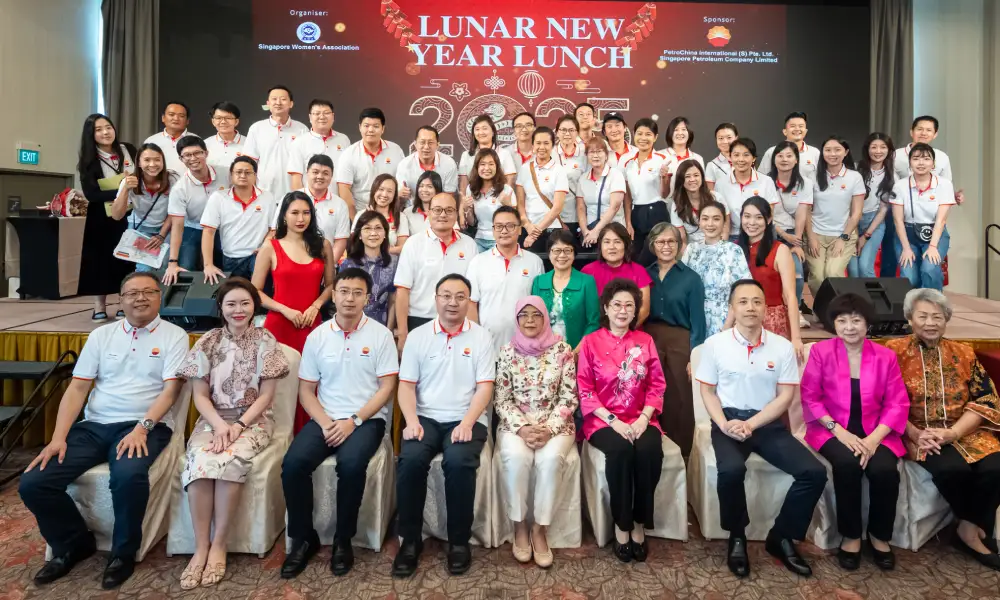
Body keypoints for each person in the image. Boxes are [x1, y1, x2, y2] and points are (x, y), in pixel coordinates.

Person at [19, 272, 188, 589]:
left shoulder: (174, 335)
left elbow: (170, 392)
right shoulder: (101, 336)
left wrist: (142, 427)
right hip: (95, 425)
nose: (140, 298)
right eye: (132, 293)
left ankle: (123, 553)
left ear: (160, 296)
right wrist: (58, 438)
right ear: (120, 300)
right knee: (33, 481)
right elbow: (78, 388)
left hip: (145, 425)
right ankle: (72, 543)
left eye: (148, 292)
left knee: (127, 476)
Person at [696, 279, 827, 578]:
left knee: (813, 472)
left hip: (766, 422)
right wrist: (724, 424)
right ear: (732, 308)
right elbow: (708, 393)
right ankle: (737, 535)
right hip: (727, 420)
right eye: (742, 302)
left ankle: (781, 536)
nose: (750, 307)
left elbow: (785, 397)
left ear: (766, 308)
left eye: (756, 301)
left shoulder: (781, 347)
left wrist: (752, 423)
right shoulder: (715, 345)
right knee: (730, 470)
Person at [280, 268, 399, 578]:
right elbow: (306, 391)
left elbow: (387, 388)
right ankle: (304, 539)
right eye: (344, 291)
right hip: (326, 417)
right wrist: (327, 422)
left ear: (368, 297)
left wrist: (354, 420)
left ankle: (343, 539)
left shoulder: (381, 335)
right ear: (333, 296)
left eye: (357, 292)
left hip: (366, 420)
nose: (349, 298)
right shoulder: (317, 336)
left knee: (350, 464)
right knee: (293, 464)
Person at [176, 278, 290, 589]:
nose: (238, 310)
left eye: (245, 303)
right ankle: (201, 548)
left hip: (254, 421)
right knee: (201, 462)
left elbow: (266, 396)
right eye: (231, 304)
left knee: (230, 460)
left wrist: (238, 426)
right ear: (221, 308)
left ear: (254, 306)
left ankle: (219, 545)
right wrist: (219, 425)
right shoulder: (208, 342)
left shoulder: (267, 340)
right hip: (213, 420)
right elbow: (200, 395)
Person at [886, 288, 1000, 571]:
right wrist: (914, 433)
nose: (930, 322)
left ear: (946, 320)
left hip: (964, 431)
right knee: (952, 470)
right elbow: (884, 400)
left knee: (995, 467)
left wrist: (955, 433)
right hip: (917, 432)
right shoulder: (892, 351)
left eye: (937, 316)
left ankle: (967, 527)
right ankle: (974, 534)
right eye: (922, 316)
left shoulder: (963, 352)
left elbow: (986, 398)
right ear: (910, 319)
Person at [392, 274, 495, 578]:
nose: (453, 302)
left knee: (459, 461)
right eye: (446, 296)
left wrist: (467, 422)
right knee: (410, 460)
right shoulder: (418, 336)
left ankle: (459, 541)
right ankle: (409, 541)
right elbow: (406, 386)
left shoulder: (481, 337)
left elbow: (485, 388)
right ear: (435, 299)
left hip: (467, 416)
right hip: (424, 416)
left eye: (460, 296)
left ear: (468, 301)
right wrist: (410, 422)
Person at [799, 293, 909, 571]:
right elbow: (811, 397)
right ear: (833, 325)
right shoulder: (821, 353)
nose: (850, 327)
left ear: (867, 323)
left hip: (877, 430)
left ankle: (879, 536)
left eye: (856, 320)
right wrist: (840, 432)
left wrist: (873, 440)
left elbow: (897, 402)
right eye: (842, 320)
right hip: (831, 429)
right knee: (847, 464)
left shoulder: (886, 356)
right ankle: (851, 536)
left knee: (884, 470)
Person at [578, 278, 666, 563]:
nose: (623, 310)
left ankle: (640, 523)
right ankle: (622, 524)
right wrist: (613, 420)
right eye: (617, 304)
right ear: (606, 307)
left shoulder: (645, 341)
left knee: (649, 451)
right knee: (620, 452)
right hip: (602, 421)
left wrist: (644, 418)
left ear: (635, 310)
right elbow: (585, 389)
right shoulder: (591, 342)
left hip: (642, 419)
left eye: (629, 305)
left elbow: (656, 385)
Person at [495, 296, 578, 568]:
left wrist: (549, 428)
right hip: (516, 425)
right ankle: (519, 525)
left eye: (536, 315)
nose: (530, 320)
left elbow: (569, 397)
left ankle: (539, 529)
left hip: (556, 425)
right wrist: (523, 428)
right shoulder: (507, 352)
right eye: (524, 315)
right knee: (518, 459)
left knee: (550, 460)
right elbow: (502, 399)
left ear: (545, 318)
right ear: (517, 320)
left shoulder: (563, 350)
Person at [253, 191, 335, 432]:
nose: (301, 218)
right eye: (295, 212)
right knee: (278, 386)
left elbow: (331, 285)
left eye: (306, 212)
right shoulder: (271, 246)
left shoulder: (322, 245)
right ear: (284, 215)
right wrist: (284, 310)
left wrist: (315, 305)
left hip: (313, 324)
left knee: (312, 383)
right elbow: (254, 291)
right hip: (279, 325)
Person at [644, 223, 706, 456]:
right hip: (649, 338)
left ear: (680, 246)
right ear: (652, 245)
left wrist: (695, 356)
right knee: (651, 392)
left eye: (671, 241)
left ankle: (684, 453)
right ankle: (653, 445)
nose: (666, 246)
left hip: (680, 340)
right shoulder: (644, 273)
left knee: (680, 394)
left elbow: (698, 322)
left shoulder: (691, 278)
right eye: (660, 242)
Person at [393, 193, 479, 352]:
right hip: (419, 321)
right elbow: (402, 290)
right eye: (437, 210)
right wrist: (403, 334)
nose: (443, 215)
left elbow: (473, 295)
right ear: (429, 213)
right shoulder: (414, 244)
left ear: (456, 213)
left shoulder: (469, 245)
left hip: (457, 322)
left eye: (449, 210)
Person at [76, 113, 135, 320]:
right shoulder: (89, 161)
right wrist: (122, 188)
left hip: (129, 214)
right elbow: (92, 194)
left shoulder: (128, 150)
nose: (105, 132)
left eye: (108, 127)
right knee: (100, 261)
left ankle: (123, 303)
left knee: (126, 260)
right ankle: (99, 306)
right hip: (101, 218)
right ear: (91, 135)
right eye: (99, 130)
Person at [468, 206, 545, 354]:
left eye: (510, 226)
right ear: (493, 229)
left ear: (520, 229)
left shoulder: (534, 262)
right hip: (488, 347)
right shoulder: (478, 262)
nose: (504, 231)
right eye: (499, 226)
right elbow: (471, 304)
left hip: (525, 348)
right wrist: (476, 338)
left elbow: (539, 304)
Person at [802, 135, 866, 295]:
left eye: (837, 150)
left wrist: (843, 238)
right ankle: (821, 309)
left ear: (846, 152)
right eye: (828, 150)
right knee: (817, 277)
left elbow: (856, 213)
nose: (833, 154)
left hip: (843, 235)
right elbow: (806, 210)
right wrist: (811, 237)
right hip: (816, 234)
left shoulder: (854, 177)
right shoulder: (812, 176)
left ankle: (835, 311)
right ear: (822, 153)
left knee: (832, 274)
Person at [736, 198, 803, 350]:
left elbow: (790, 296)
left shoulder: (780, 250)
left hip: (772, 322)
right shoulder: (734, 250)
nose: (751, 222)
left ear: (769, 219)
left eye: (758, 217)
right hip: (741, 321)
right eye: (747, 216)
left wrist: (796, 337)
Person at [889, 143, 956, 291]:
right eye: (916, 158)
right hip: (906, 233)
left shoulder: (944, 185)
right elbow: (898, 220)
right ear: (910, 163)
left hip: (935, 233)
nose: (921, 163)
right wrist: (906, 248)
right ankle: (911, 309)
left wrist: (932, 247)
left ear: (933, 164)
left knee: (929, 269)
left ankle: (933, 305)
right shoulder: (900, 186)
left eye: (926, 159)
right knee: (909, 276)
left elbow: (941, 219)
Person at [163, 136, 230, 284]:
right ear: (181, 159)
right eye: (187, 155)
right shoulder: (179, 188)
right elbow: (177, 226)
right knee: (186, 266)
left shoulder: (227, 174)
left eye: (197, 153)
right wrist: (172, 262)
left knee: (226, 263)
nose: (193, 158)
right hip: (194, 227)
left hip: (223, 227)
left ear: (206, 153)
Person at [682, 200, 750, 337]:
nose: (710, 224)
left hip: (725, 322)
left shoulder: (733, 251)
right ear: (699, 222)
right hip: (694, 321)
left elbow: (743, 291)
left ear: (724, 222)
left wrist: (727, 327)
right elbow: (682, 288)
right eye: (705, 219)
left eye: (716, 219)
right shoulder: (692, 249)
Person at [201, 156, 275, 282]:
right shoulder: (218, 197)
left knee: (260, 295)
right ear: (231, 175)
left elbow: (273, 228)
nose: (243, 175)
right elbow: (208, 232)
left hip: (257, 255)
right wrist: (208, 265)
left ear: (255, 175)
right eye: (238, 172)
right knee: (236, 296)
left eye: (248, 172)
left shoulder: (267, 197)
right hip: (231, 258)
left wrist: (265, 245)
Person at [110, 143, 179, 273]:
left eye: (157, 159)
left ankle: (161, 293)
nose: (152, 164)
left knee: (164, 265)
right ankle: (143, 292)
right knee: (144, 268)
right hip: (141, 228)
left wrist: (161, 235)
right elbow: (116, 215)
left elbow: (175, 211)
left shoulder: (173, 179)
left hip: (167, 228)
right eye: (147, 160)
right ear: (139, 163)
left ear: (163, 162)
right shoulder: (130, 180)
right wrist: (126, 189)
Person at [531, 230, 600, 349]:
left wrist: (577, 352)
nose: (562, 255)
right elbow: (533, 318)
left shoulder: (587, 282)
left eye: (567, 250)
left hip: (577, 350)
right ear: (549, 253)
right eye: (557, 250)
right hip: (543, 353)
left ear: (574, 253)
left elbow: (594, 322)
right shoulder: (539, 281)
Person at [276, 154, 351, 260]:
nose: (320, 177)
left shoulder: (340, 205)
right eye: (315, 172)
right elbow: (277, 231)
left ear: (331, 176)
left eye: (325, 173)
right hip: (289, 260)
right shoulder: (289, 199)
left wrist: (328, 267)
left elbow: (341, 240)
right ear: (307, 173)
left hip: (324, 261)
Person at [336, 107, 406, 220]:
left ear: (383, 129)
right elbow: (344, 189)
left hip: (390, 215)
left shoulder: (396, 150)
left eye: (376, 126)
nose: (371, 130)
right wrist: (356, 220)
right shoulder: (349, 154)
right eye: (366, 126)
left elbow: (402, 182)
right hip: (361, 214)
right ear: (360, 127)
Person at [241, 85, 308, 200]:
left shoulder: (302, 130)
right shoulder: (257, 128)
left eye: (283, 99)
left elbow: (306, 163)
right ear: (268, 103)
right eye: (274, 99)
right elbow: (249, 163)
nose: (278, 102)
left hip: (294, 195)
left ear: (291, 103)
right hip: (263, 195)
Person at [767, 141, 811, 308]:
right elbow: (766, 216)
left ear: (796, 160)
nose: (784, 159)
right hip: (770, 233)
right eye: (780, 156)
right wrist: (784, 236)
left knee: (797, 275)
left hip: (793, 233)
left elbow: (802, 213)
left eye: (789, 156)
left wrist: (797, 242)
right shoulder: (765, 181)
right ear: (774, 159)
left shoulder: (805, 183)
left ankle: (795, 309)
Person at [581, 223, 651, 325]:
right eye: (607, 242)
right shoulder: (588, 271)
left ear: (625, 245)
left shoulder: (638, 271)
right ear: (600, 246)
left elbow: (644, 310)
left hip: (629, 333)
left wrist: (623, 332)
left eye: (617, 242)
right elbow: (582, 309)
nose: (612, 247)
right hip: (595, 333)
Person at [710, 137, 778, 241]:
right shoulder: (721, 183)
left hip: (760, 235)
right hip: (733, 236)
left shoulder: (766, 181)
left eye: (746, 155)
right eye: (736, 155)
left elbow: (769, 213)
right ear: (730, 157)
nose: (741, 159)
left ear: (753, 158)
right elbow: (719, 213)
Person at [516, 127, 570, 254]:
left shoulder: (558, 170)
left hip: (551, 229)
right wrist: (528, 225)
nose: (542, 147)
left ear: (552, 145)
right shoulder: (524, 169)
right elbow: (520, 203)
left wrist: (536, 232)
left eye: (546, 143)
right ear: (533, 145)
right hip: (527, 228)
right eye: (538, 143)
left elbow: (557, 207)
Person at [849, 133, 895, 279]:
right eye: (873, 147)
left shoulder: (892, 176)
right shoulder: (855, 170)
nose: (878, 151)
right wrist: (854, 232)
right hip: (851, 223)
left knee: (865, 268)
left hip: (874, 223)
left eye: (883, 147)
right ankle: (854, 302)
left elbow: (883, 210)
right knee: (854, 272)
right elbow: (849, 204)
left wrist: (866, 236)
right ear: (867, 149)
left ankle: (873, 302)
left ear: (889, 150)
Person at [622, 118, 669, 260]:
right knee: (635, 257)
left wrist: (664, 177)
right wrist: (628, 222)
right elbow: (628, 197)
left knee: (655, 256)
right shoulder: (628, 163)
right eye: (639, 133)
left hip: (657, 211)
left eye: (648, 134)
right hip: (637, 213)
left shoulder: (662, 159)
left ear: (655, 137)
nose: (643, 138)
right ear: (634, 135)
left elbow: (665, 194)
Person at [341, 211, 398, 327]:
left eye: (378, 228)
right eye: (367, 229)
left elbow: (393, 301)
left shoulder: (394, 263)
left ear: (385, 233)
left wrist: (389, 329)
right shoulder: (348, 264)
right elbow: (341, 300)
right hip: (352, 325)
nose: (373, 233)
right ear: (360, 235)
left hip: (380, 326)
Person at [286, 99, 351, 191]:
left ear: (333, 116)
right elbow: (296, 178)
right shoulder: (299, 142)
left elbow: (348, 174)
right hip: (310, 201)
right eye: (317, 113)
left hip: (336, 200)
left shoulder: (343, 140)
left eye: (326, 113)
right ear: (310, 117)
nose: (322, 117)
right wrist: (302, 202)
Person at [577, 136, 627, 248]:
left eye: (599, 151)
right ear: (587, 156)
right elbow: (581, 208)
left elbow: (615, 207)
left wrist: (597, 231)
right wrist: (585, 231)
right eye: (591, 152)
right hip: (590, 232)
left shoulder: (615, 175)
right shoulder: (583, 178)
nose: (595, 155)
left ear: (606, 155)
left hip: (613, 230)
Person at [462, 149, 515, 251]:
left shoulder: (506, 190)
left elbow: (514, 222)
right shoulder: (471, 189)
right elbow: (472, 222)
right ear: (477, 167)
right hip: (479, 238)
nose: (487, 168)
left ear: (497, 167)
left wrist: (508, 205)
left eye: (491, 164)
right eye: (482, 164)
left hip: (500, 239)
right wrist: (466, 209)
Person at [668, 159, 726, 246]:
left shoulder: (717, 197)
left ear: (702, 177)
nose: (692, 179)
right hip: (692, 250)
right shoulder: (677, 205)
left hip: (718, 246)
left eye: (696, 175)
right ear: (681, 180)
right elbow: (681, 239)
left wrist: (719, 250)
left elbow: (725, 228)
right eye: (687, 176)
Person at [395, 125, 459, 203]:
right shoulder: (404, 165)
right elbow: (400, 195)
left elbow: (449, 196)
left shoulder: (449, 164)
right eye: (422, 142)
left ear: (437, 145)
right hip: (411, 209)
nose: (426, 147)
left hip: (439, 208)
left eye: (430, 143)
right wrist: (401, 193)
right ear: (415, 144)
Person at [458, 114, 518, 195]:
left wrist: (503, 200)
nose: (481, 132)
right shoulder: (466, 155)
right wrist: (463, 205)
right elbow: (463, 184)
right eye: (477, 129)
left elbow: (510, 181)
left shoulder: (504, 153)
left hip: (499, 201)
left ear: (493, 132)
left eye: (485, 128)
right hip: (473, 200)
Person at [352, 174, 409, 255]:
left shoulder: (401, 217)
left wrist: (376, 250)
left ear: (394, 195)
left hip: (392, 264)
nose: (384, 194)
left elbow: (402, 248)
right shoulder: (361, 215)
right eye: (381, 189)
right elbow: (354, 244)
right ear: (374, 190)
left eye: (389, 191)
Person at [759, 112, 821, 182]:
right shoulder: (772, 152)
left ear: (806, 131)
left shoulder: (815, 153)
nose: (797, 129)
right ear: (785, 131)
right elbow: (761, 178)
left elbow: (821, 178)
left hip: (808, 192)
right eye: (792, 126)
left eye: (801, 126)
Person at [554, 115, 587, 241]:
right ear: (557, 132)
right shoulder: (550, 153)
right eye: (563, 130)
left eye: (571, 130)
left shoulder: (585, 153)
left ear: (577, 133)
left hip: (580, 215)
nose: (567, 134)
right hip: (555, 217)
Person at [892, 116, 954, 181]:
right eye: (919, 129)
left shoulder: (942, 157)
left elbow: (947, 183)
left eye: (929, 130)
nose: (923, 133)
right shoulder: (896, 155)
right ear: (911, 132)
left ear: (935, 135)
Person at [142, 101, 195, 175]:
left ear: (187, 121)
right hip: (159, 185)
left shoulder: (196, 141)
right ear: (163, 118)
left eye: (181, 116)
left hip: (189, 185)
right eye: (171, 114)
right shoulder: (152, 141)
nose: (176, 118)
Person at [662, 116, 704, 195]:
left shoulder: (697, 158)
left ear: (689, 133)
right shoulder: (660, 156)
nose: (680, 133)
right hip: (665, 204)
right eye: (676, 130)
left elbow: (701, 186)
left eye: (684, 129)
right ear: (670, 133)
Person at [203, 101, 244, 171]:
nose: (223, 122)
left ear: (236, 122)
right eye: (218, 118)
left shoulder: (248, 143)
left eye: (228, 118)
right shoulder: (205, 144)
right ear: (213, 122)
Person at [705, 122, 739, 187]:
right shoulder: (712, 165)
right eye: (720, 138)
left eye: (729, 137)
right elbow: (710, 193)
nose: (725, 142)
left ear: (736, 138)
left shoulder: (745, 161)